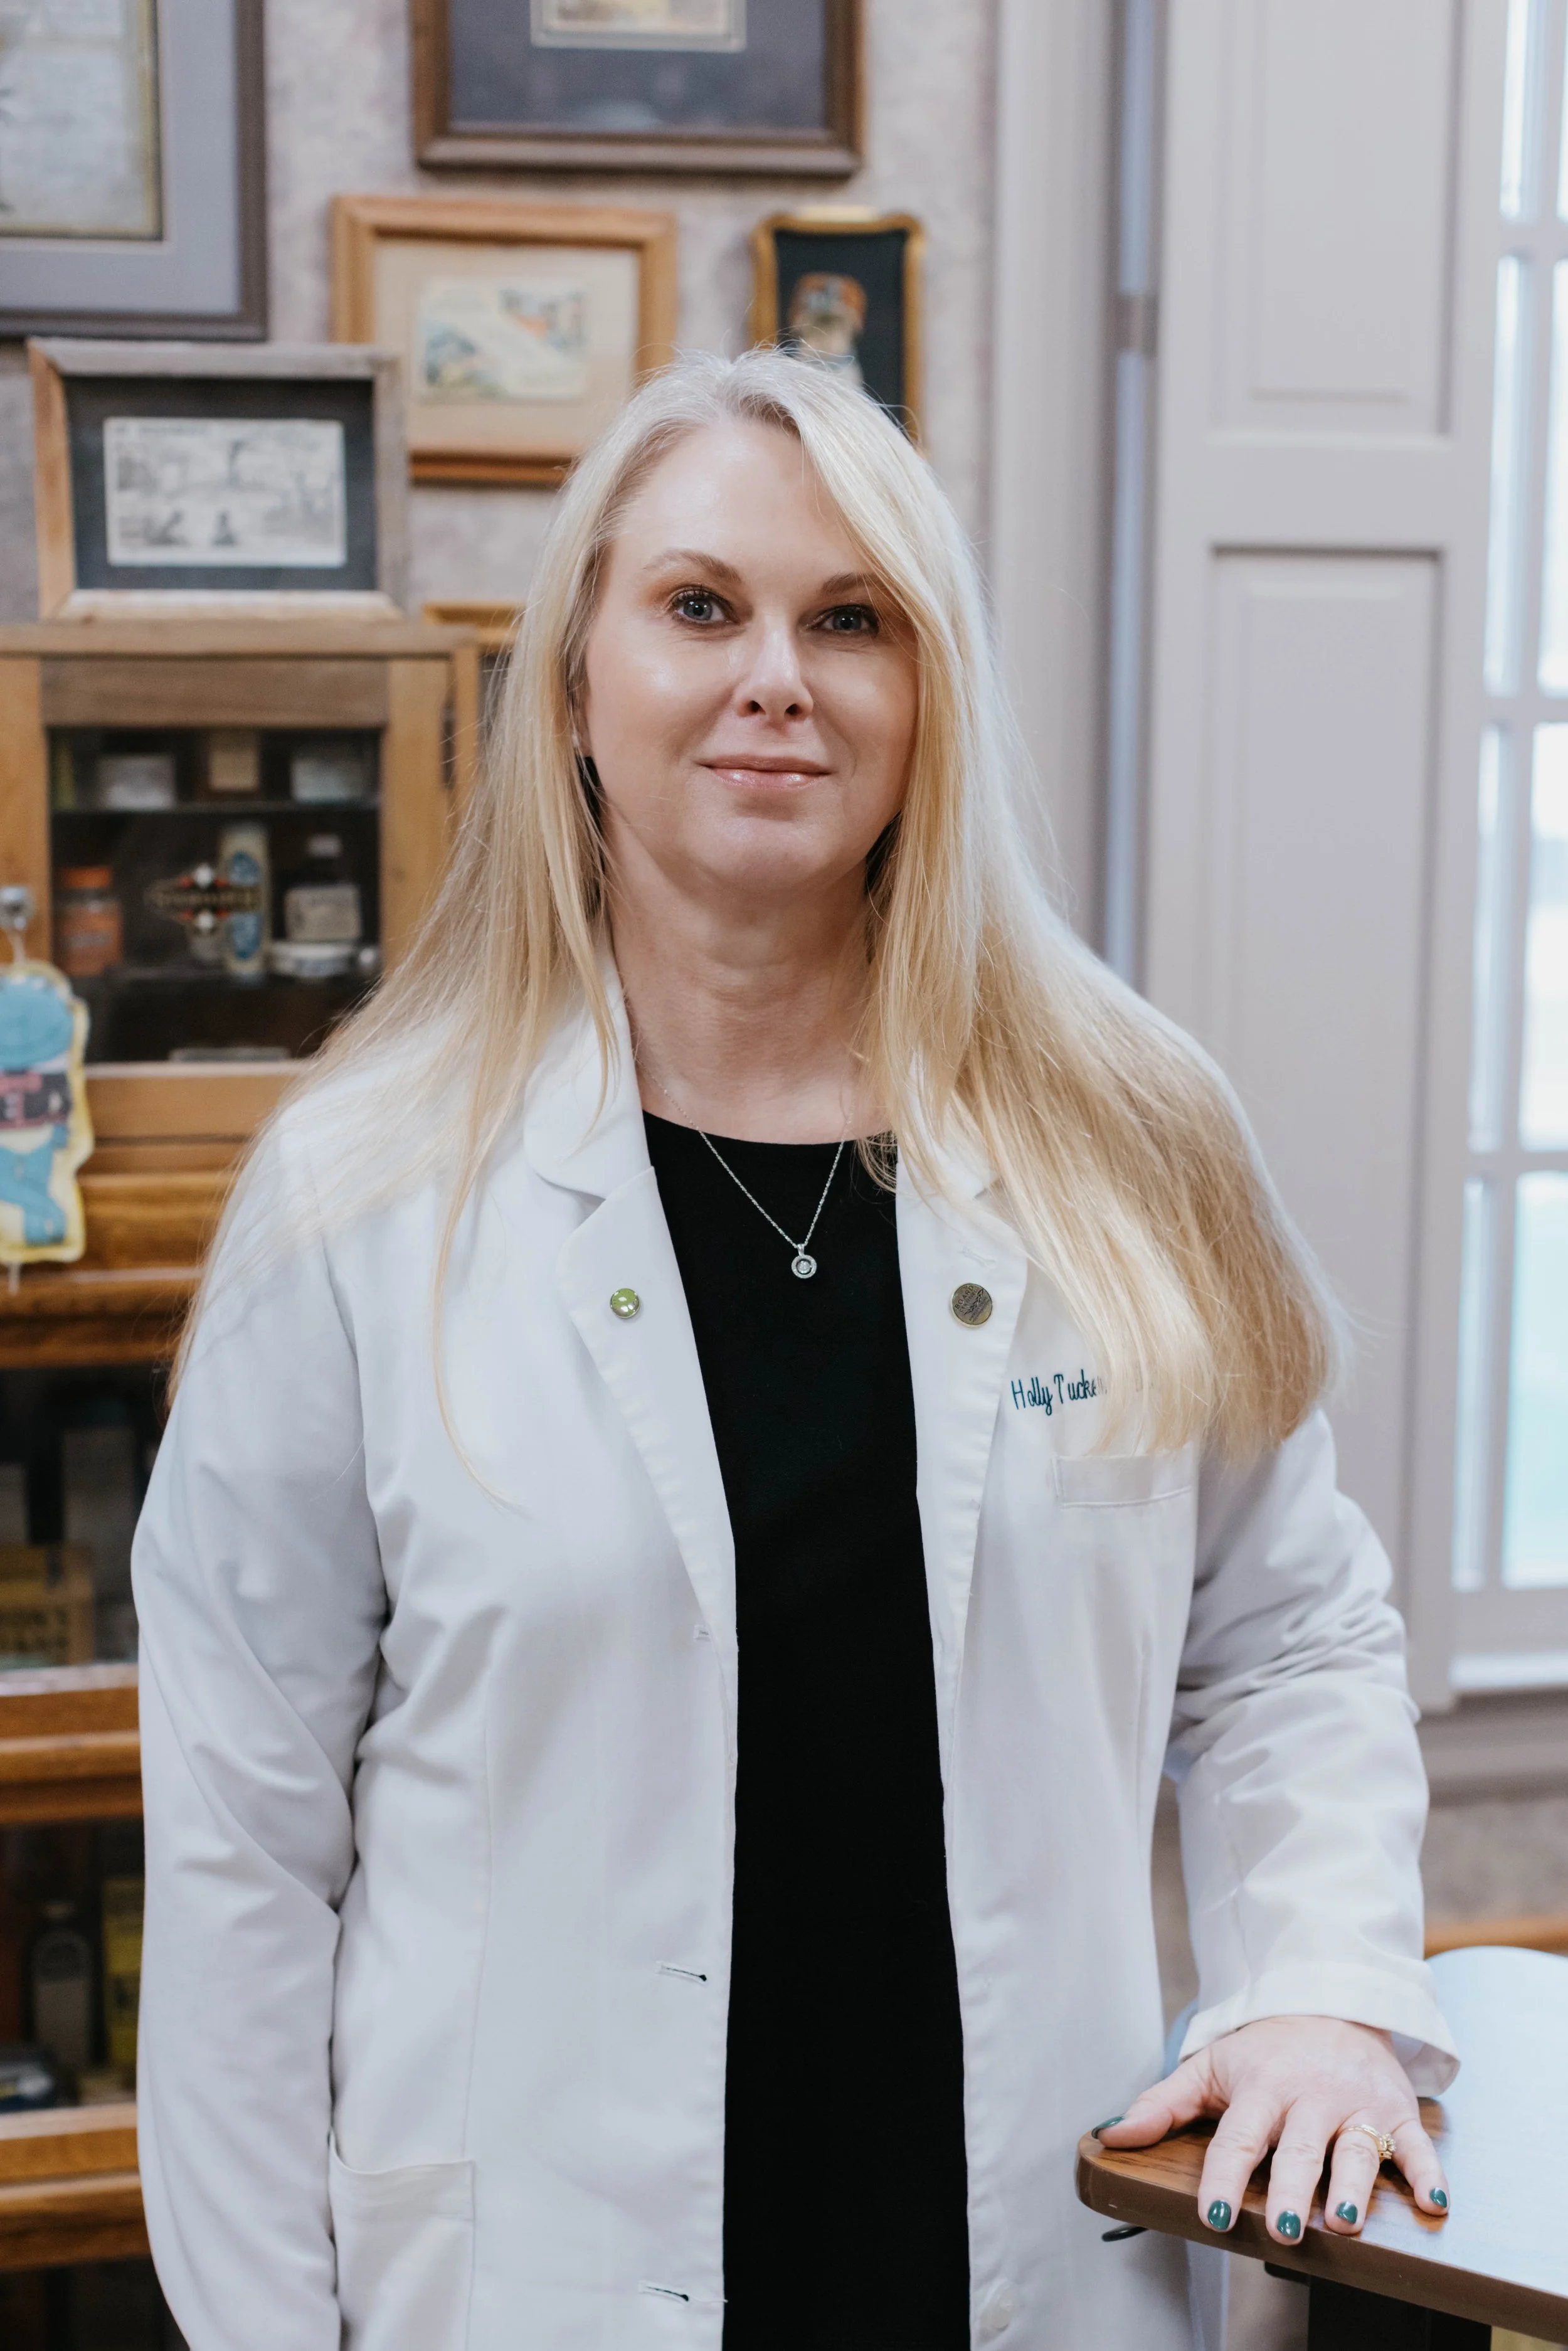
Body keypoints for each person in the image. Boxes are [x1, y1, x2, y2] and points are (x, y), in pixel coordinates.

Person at [132, 349, 1456, 2351]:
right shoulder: (361, 1194)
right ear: (571, 687)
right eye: (696, 606)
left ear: (930, 698)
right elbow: (243, 1849)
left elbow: (1288, 1639)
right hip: (534, 2276)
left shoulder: (1130, 1129)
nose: (777, 675)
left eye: (851, 618)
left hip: (1032, 2250)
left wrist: (1322, 1986)